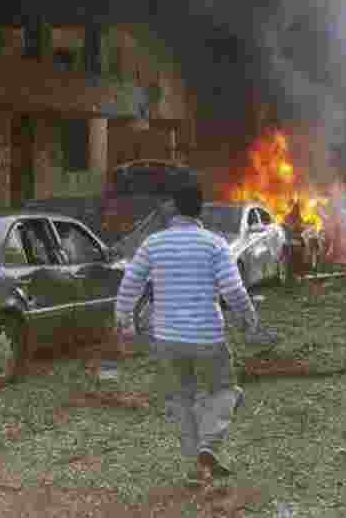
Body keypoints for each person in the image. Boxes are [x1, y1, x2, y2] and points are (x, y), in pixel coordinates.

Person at [113, 172, 267, 484]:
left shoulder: (153, 244)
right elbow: (233, 290)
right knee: (224, 389)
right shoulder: (215, 244)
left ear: (173, 208)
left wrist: (125, 323)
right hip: (207, 336)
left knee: (180, 398)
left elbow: (130, 284)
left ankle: (196, 462)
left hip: (167, 337)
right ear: (201, 210)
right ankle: (207, 447)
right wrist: (249, 320)